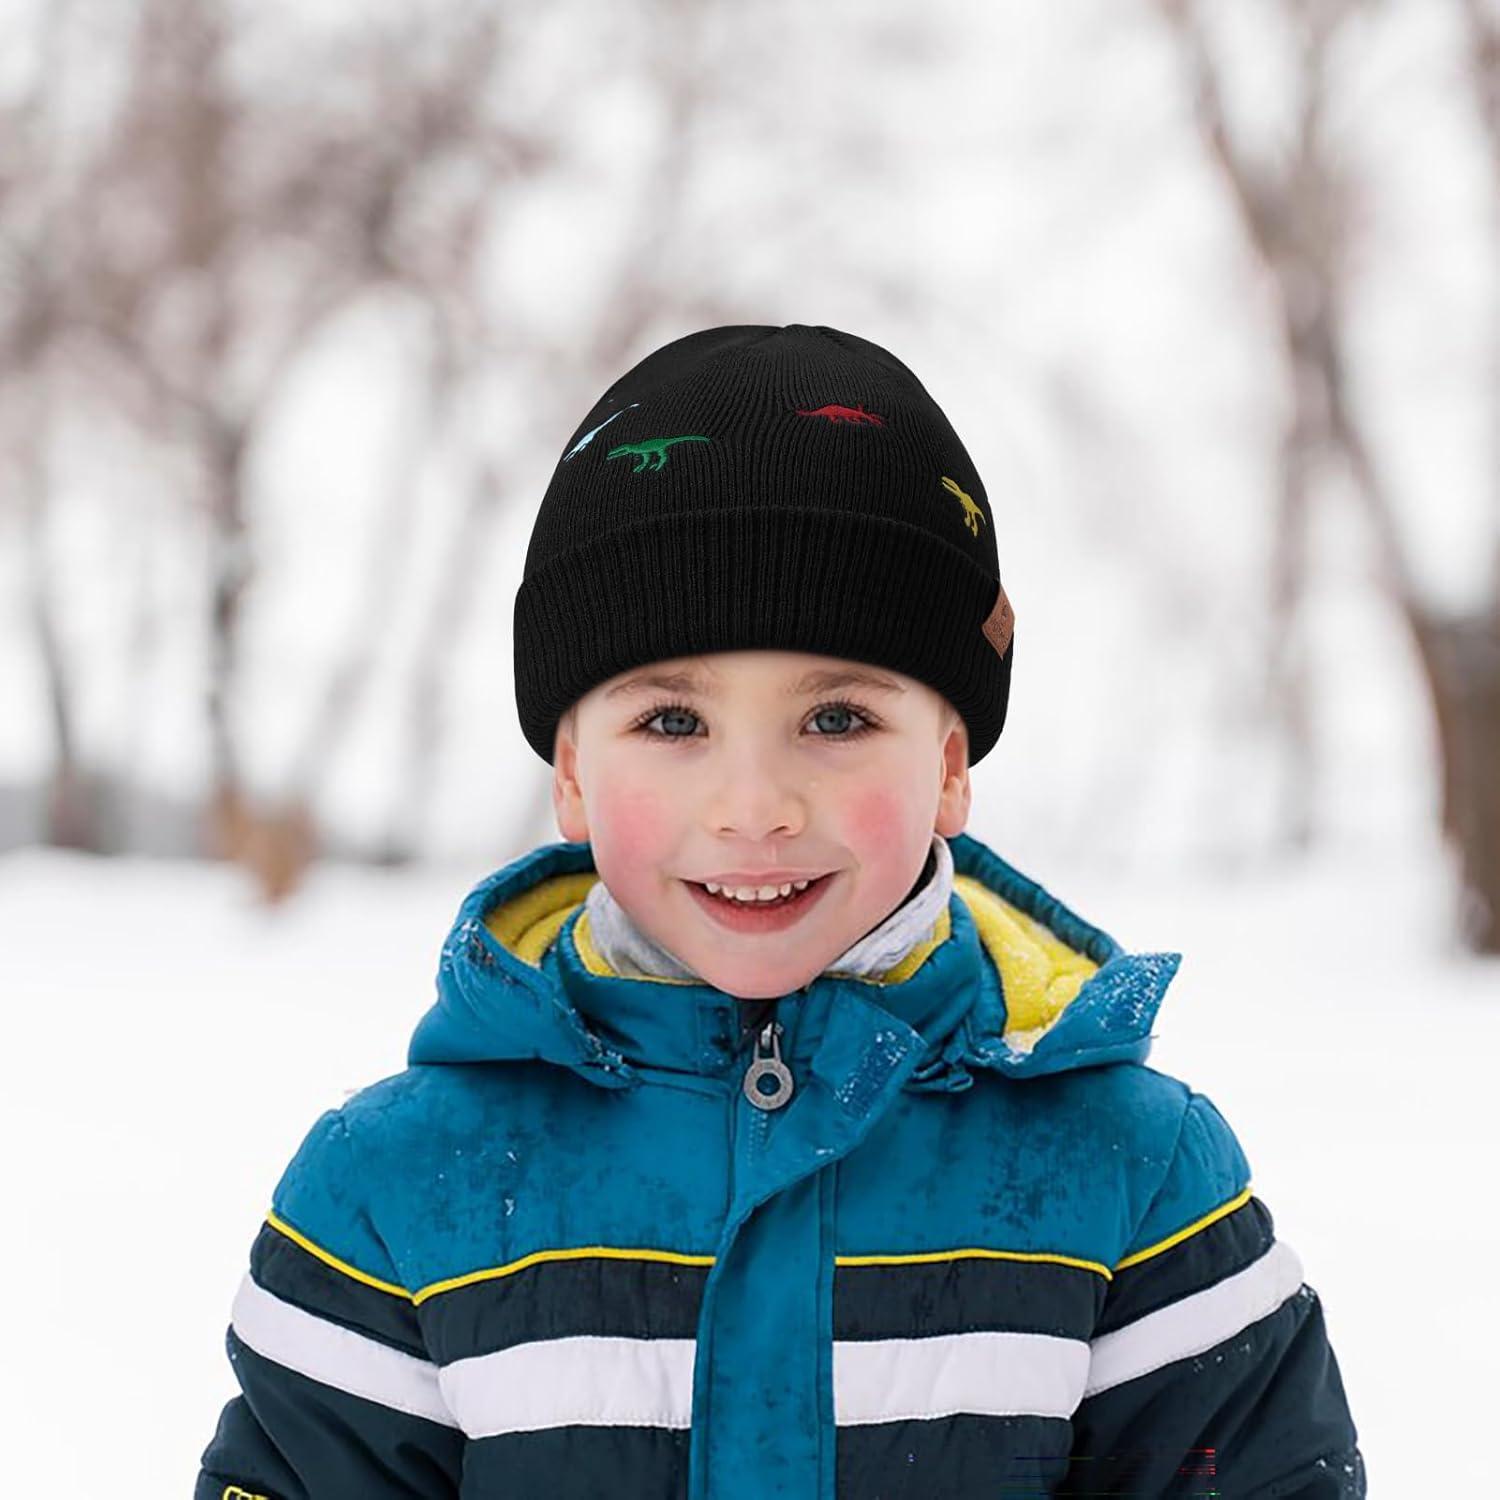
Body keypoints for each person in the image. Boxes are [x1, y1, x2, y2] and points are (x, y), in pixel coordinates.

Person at [196, 324, 1366, 1498]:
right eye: (672, 723)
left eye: (837, 720)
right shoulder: (399, 1190)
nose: (753, 808)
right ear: (569, 774)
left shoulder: (1133, 1179)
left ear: (951, 764)